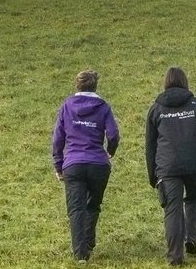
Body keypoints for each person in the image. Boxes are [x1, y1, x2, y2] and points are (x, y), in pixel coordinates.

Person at [145, 66, 196, 266]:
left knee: (173, 209)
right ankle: (191, 237)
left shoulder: (156, 109)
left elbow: (150, 146)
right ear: (184, 82)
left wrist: (152, 176)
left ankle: (175, 257)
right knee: (195, 198)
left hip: (168, 167)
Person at [51, 69, 121, 263]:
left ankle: (81, 253)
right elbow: (113, 134)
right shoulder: (103, 107)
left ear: (77, 85)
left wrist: (58, 165)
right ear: (95, 85)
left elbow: (58, 139)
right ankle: (88, 243)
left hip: (73, 164)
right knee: (93, 204)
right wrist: (110, 152)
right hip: (98, 163)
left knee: (76, 208)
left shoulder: (67, 106)